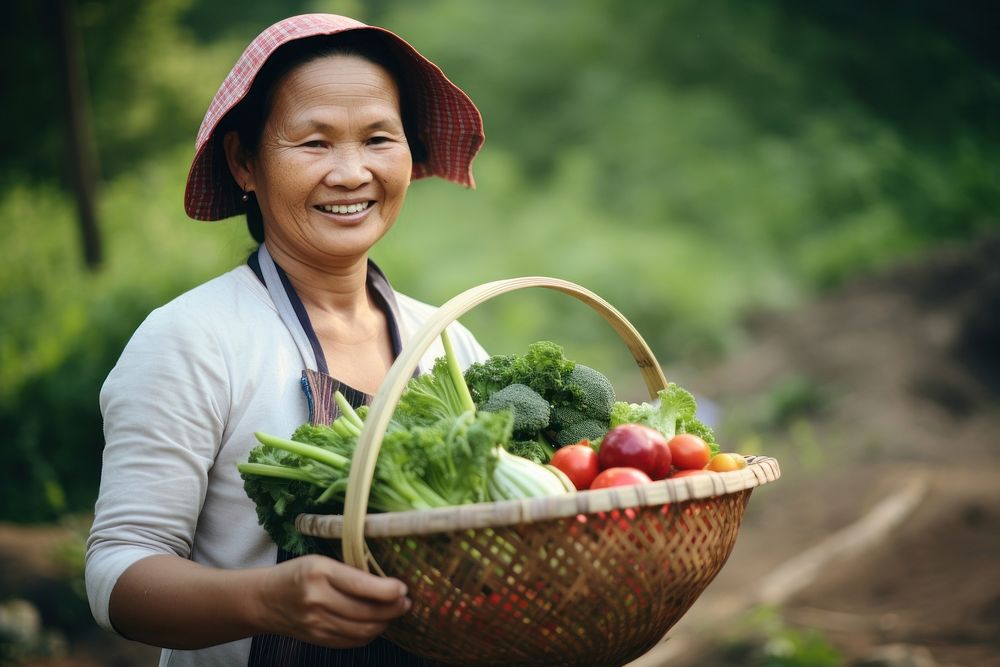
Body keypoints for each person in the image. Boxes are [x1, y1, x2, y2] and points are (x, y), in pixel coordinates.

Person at [85, 13, 487, 666]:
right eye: (315, 143)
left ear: (410, 157)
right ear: (245, 162)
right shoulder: (192, 340)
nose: (352, 172)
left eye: (378, 138)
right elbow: (117, 574)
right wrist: (267, 600)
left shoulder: (448, 342)